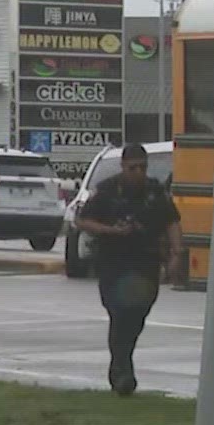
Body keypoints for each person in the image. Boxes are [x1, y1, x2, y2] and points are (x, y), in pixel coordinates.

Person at [75, 143, 183, 395]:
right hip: (114, 263)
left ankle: (122, 363)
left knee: (136, 318)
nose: (138, 173)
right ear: (123, 166)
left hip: (145, 263)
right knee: (120, 314)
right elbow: (82, 220)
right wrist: (111, 231)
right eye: (133, 168)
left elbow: (172, 221)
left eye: (142, 168)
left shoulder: (155, 192)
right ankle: (123, 371)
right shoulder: (107, 191)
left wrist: (177, 254)